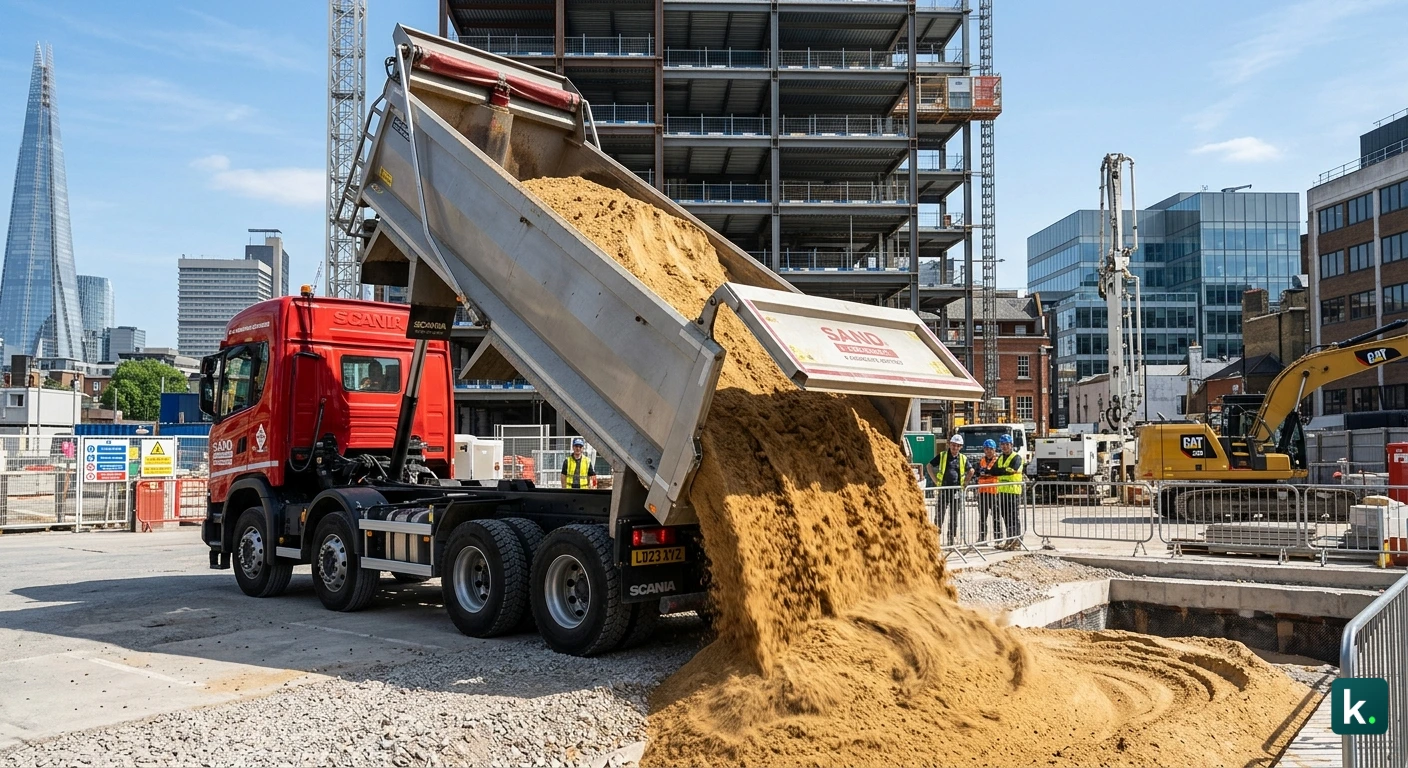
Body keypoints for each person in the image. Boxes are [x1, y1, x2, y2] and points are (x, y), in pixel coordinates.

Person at [926, 434, 971, 546]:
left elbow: (971, 470)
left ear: (960, 447)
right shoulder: (942, 456)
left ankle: (951, 537)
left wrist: (965, 483)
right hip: (944, 490)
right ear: (949, 445)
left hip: (955, 491)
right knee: (939, 515)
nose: (955, 448)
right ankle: (934, 537)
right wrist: (935, 481)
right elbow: (929, 466)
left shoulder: (963, 458)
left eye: (957, 446)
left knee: (954, 516)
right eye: (953, 445)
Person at [994, 433, 1025, 550]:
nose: (1005, 447)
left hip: (1013, 492)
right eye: (1003, 444)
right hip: (1002, 492)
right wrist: (1004, 471)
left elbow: (1013, 470)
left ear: (1011, 445)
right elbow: (994, 471)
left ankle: (1017, 541)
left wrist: (1002, 471)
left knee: (1013, 517)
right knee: (1005, 517)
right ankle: (1009, 540)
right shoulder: (1000, 458)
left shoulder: (1016, 457)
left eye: (1007, 444)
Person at [974, 439, 1003, 543]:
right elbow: (977, 472)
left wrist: (986, 472)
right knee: (982, 517)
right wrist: (985, 473)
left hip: (994, 492)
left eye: (990, 449)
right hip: (982, 492)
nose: (988, 451)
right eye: (986, 449)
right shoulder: (981, 461)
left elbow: (997, 472)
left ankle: (998, 538)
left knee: (996, 516)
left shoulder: (998, 460)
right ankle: (982, 538)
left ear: (994, 449)